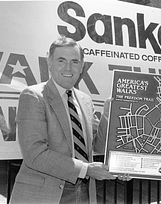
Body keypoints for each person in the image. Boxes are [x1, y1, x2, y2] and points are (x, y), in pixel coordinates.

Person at [10, 36, 117, 204]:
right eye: (61, 60)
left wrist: (108, 115)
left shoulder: (85, 100)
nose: (68, 67)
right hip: (45, 195)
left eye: (75, 61)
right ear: (50, 63)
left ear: (82, 67)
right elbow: (35, 154)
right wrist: (86, 169)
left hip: (84, 193)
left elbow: (97, 145)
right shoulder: (33, 96)